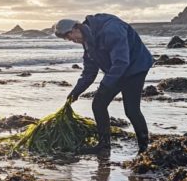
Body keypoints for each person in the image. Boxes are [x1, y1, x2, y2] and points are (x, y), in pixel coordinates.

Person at [52, 14, 153, 155]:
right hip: (117, 70)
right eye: (68, 40)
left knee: (131, 110)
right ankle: (104, 146)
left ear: (76, 27)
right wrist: (75, 92)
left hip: (135, 68)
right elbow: (89, 72)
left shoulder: (111, 29)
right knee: (98, 105)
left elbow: (121, 62)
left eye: (70, 36)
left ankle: (144, 148)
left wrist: (105, 84)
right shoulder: (87, 41)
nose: (73, 41)